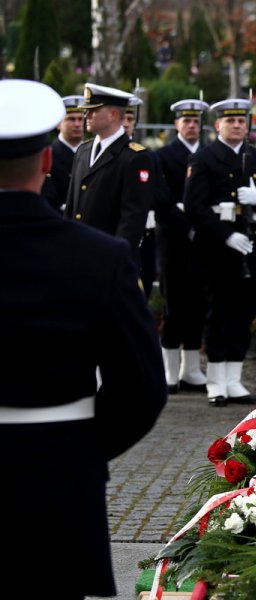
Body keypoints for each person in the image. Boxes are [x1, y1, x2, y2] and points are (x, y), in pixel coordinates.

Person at [0, 78, 166, 599]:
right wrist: (84, 445)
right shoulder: (100, 257)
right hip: (61, 473)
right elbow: (142, 386)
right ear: (50, 161)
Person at [184, 98, 256, 406]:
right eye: (230, 121)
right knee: (218, 313)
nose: (237, 126)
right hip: (217, 248)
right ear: (217, 125)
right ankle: (215, 379)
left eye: (241, 121)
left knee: (244, 312)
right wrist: (225, 235)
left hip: (252, 246)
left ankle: (233, 378)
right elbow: (194, 205)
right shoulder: (204, 158)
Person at [64, 83, 155, 270]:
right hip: (77, 255)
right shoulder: (83, 150)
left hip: (108, 260)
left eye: (93, 111)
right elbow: (72, 205)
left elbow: (132, 219)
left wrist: (115, 260)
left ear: (113, 114)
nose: (86, 116)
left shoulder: (134, 157)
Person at [154, 99, 210, 394]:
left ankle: (191, 368)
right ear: (176, 124)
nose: (191, 126)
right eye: (185, 121)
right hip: (173, 238)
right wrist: (187, 225)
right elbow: (161, 199)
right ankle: (169, 369)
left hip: (202, 240)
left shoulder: (207, 154)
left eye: (196, 121)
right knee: (174, 302)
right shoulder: (163, 156)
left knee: (198, 303)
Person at [124, 95, 159, 299]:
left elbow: (160, 194)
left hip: (143, 235)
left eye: (130, 119)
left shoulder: (146, 155)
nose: (127, 124)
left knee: (142, 292)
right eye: (123, 118)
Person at [41, 94, 84, 211]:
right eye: (71, 119)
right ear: (58, 124)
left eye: (81, 119)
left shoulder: (93, 152)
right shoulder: (49, 153)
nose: (77, 124)